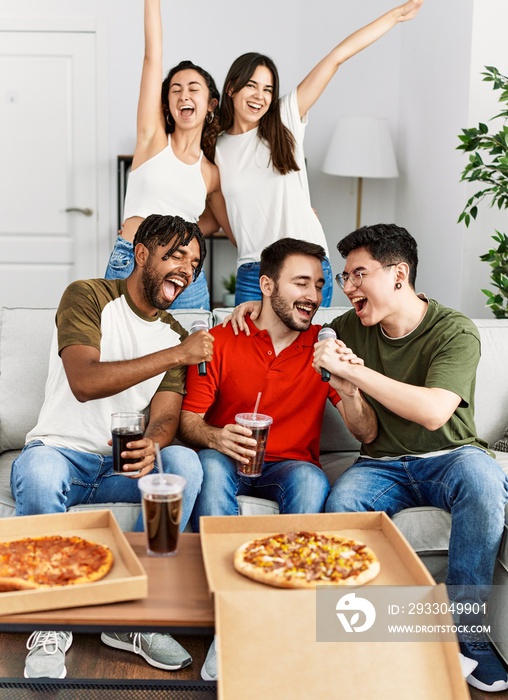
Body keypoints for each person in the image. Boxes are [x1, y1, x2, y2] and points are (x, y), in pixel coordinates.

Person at [11, 214, 213, 679]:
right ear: (142, 254)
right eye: (175, 255)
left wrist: (153, 442)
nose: (186, 268)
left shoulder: (176, 335)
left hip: (119, 470)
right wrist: (177, 355)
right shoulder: (88, 296)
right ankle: (49, 623)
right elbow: (83, 381)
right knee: (40, 472)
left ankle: (134, 619)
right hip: (60, 454)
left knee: (184, 461)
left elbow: (165, 417)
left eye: (195, 262)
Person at [311, 223, 508, 693]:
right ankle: (360, 634)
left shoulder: (454, 330)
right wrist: (348, 389)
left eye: (359, 274)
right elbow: (365, 431)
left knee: (483, 482)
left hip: (451, 456)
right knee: (340, 508)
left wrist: (357, 373)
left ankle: (471, 641)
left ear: (399, 275)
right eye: (344, 278)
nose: (349, 287)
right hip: (379, 463)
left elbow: (434, 412)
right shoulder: (345, 332)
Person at [178, 237, 377, 681]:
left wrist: (350, 386)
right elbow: (188, 422)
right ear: (266, 285)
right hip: (226, 459)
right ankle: (230, 622)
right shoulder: (220, 339)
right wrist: (215, 436)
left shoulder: (324, 347)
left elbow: (364, 433)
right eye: (300, 282)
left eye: (320, 285)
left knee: (311, 481)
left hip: (290, 466)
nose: (312, 295)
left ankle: (285, 618)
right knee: (208, 466)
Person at [210, 0, 423, 306]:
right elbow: (229, 223)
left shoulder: (285, 118)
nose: (260, 96)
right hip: (254, 273)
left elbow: (336, 58)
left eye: (268, 89)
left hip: (306, 265)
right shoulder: (217, 148)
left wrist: (396, 16)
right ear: (231, 88)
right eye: (251, 86)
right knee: (251, 353)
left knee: (309, 354)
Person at [104, 0, 234, 309]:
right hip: (134, 263)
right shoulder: (152, 140)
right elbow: (153, 56)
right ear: (166, 105)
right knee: (121, 349)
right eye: (175, 89)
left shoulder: (211, 173)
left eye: (193, 88)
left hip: (185, 274)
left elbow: (219, 223)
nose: (183, 94)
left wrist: (174, 239)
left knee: (190, 353)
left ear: (211, 105)